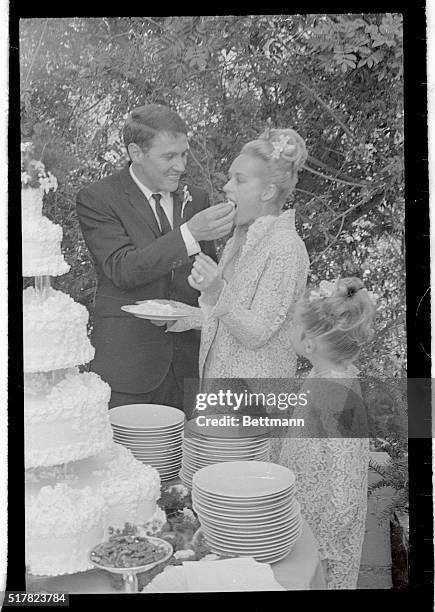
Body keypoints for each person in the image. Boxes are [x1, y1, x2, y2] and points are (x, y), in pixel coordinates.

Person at [76, 104, 235, 409]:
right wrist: (189, 233)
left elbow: (206, 278)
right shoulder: (98, 198)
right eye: (169, 156)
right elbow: (123, 269)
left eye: (184, 154)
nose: (180, 166)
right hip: (129, 366)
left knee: (185, 456)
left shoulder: (196, 198)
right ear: (136, 152)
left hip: (189, 367)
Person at [171, 127, 309, 383]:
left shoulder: (286, 247)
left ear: (267, 192)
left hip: (254, 405)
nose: (226, 186)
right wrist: (180, 317)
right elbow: (227, 320)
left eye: (239, 180)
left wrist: (215, 291)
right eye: (230, 178)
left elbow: (256, 333)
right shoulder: (240, 238)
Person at [278, 277, 377, 589]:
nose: (288, 329)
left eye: (293, 324)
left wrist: (317, 555)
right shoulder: (324, 376)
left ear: (309, 341)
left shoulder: (336, 395)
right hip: (303, 527)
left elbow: (346, 494)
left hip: (321, 552)